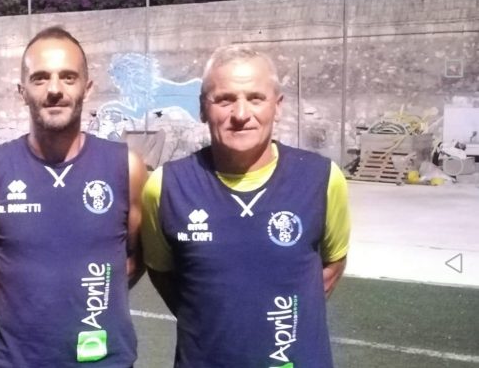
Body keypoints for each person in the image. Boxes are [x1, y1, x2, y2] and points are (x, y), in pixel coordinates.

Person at [141, 45, 350, 367]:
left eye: (256, 98)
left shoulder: (322, 178)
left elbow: (333, 264)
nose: (240, 114)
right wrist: (208, 318)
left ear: (277, 106)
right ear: (202, 109)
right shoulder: (165, 186)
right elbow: (161, 271)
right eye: (224, 100)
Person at [0, 26, 146, 367]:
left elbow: (138, 257)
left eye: (68, 77)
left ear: (87, 87)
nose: (55, 89)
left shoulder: (126, 168)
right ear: (22, 91)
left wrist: (100, 300)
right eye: (40, 78)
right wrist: (19, 315)